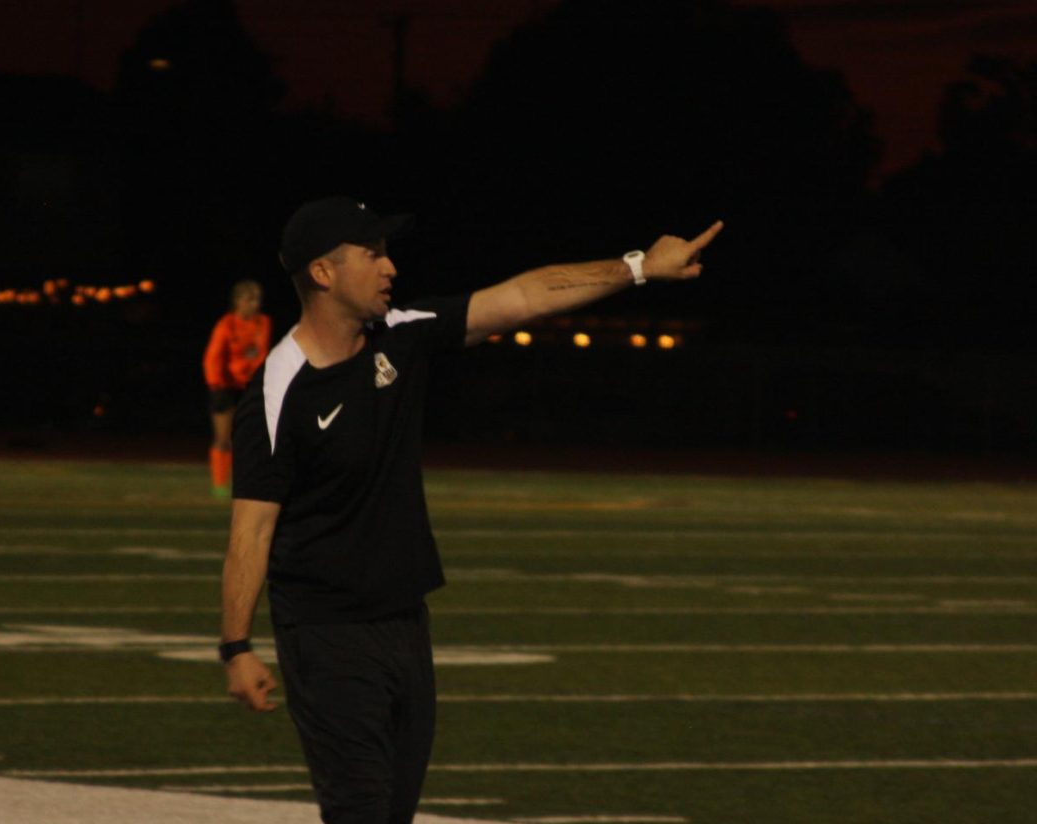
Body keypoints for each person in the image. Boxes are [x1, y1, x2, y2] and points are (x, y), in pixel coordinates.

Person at [219, 196, 723, 823]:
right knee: (360, 813)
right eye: (372, 254)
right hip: (326, 637)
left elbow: (522, 296)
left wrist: (640, 266)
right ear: (322, 273)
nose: (390, 267)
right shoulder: (275, 392)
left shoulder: (401, 334)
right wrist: (236, 644)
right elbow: (252, 527)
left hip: (406, 626)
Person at [202, 280, 271, 497]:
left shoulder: (263, 323)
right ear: (238, 301)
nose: (255, 304)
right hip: (225, 386)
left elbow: (261, 355)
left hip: (249, 387)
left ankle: (247, 481)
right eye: (250, 299)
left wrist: (255, 379)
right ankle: (220, 484)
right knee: (223, 438)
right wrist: (217, 384)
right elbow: (213, 357)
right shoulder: (226, 324)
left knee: (251, 438)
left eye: (257, 299)